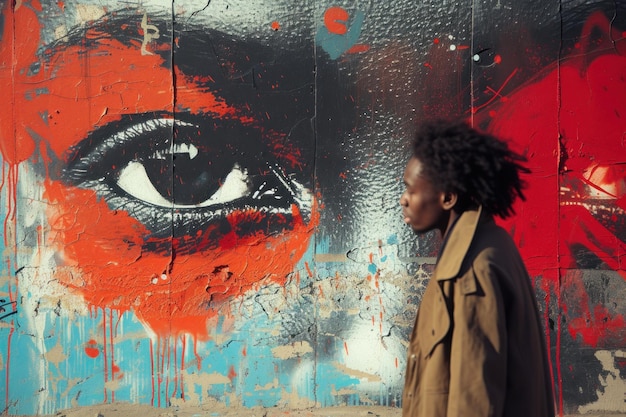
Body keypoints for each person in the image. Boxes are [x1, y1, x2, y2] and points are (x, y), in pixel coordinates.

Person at [399, 120, 555, 417]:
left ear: (447, 198)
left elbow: (475, 395)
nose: (403, 200)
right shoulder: (487, 245)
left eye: (411, 189)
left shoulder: (472, 269)